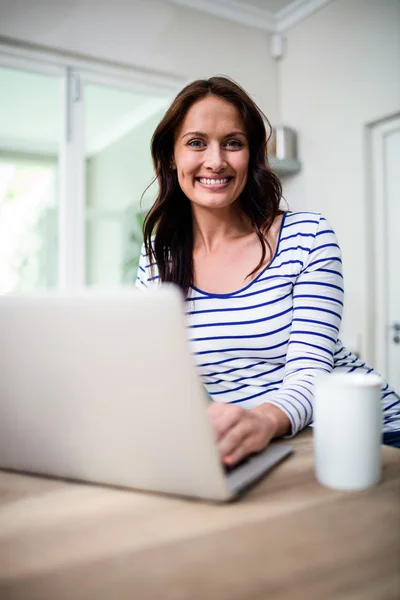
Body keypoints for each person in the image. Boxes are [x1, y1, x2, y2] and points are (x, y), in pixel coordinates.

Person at [136, 76, 400, 463]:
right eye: (196, 142)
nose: (216, 160)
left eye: (233, 143)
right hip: (269, 443)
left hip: (372, 436)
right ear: (172, 157)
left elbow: (311, 373)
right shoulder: (157, 260)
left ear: (252, 155)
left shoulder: (307, 236)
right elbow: (158, 376)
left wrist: (260, 421)